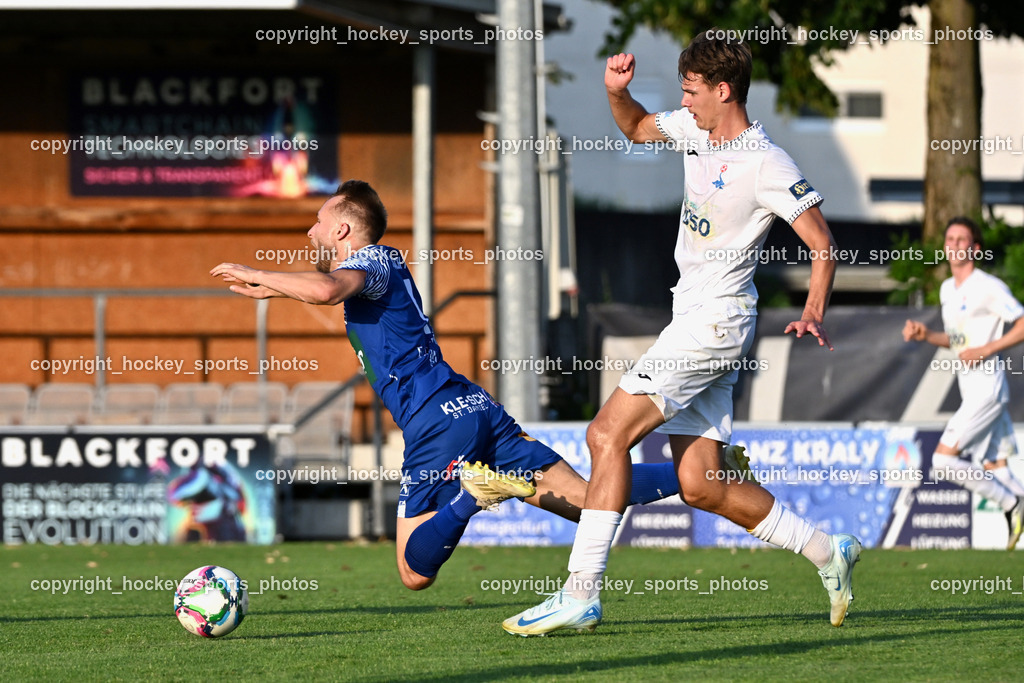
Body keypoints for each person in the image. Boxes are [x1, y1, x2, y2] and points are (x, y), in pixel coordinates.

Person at [503, 33, 861, 636]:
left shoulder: (767, 163)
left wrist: (814, 310)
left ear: (724, 91)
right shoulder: (696, 129)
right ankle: (829, 551)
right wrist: (618, 93)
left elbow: (824, 245)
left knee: (605, 433)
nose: (685, 102)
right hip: (693, 317)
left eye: (692, 91)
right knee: (700, 486)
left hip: (715, 324)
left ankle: (580, 593)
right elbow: (638, 128)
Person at [211, 179, 681, 590]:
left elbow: (327, 290)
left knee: (414, 572)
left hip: (435, 421)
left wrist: (256, 273)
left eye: (318, 220)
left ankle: (470, 497)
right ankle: (697, 473)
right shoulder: (382, 266)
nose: (310, 230)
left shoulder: (372, 261)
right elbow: (328, 287)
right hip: (472, 405)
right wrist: (279, 287)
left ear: (342, 229)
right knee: (585, 501)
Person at [903, 216, 1024, 548]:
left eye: (962, 240)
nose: (955, 245)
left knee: (943, 460)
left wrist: (988, 348)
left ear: (975, 249)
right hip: (970, 388)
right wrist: (926, 334)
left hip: (987, 387)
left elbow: (1021, 322)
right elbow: (959, 341)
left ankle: (1011, 504)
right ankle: (1015, 500)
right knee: (996, 466)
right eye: (950, 239)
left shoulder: (987, 286)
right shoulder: (946, 289)